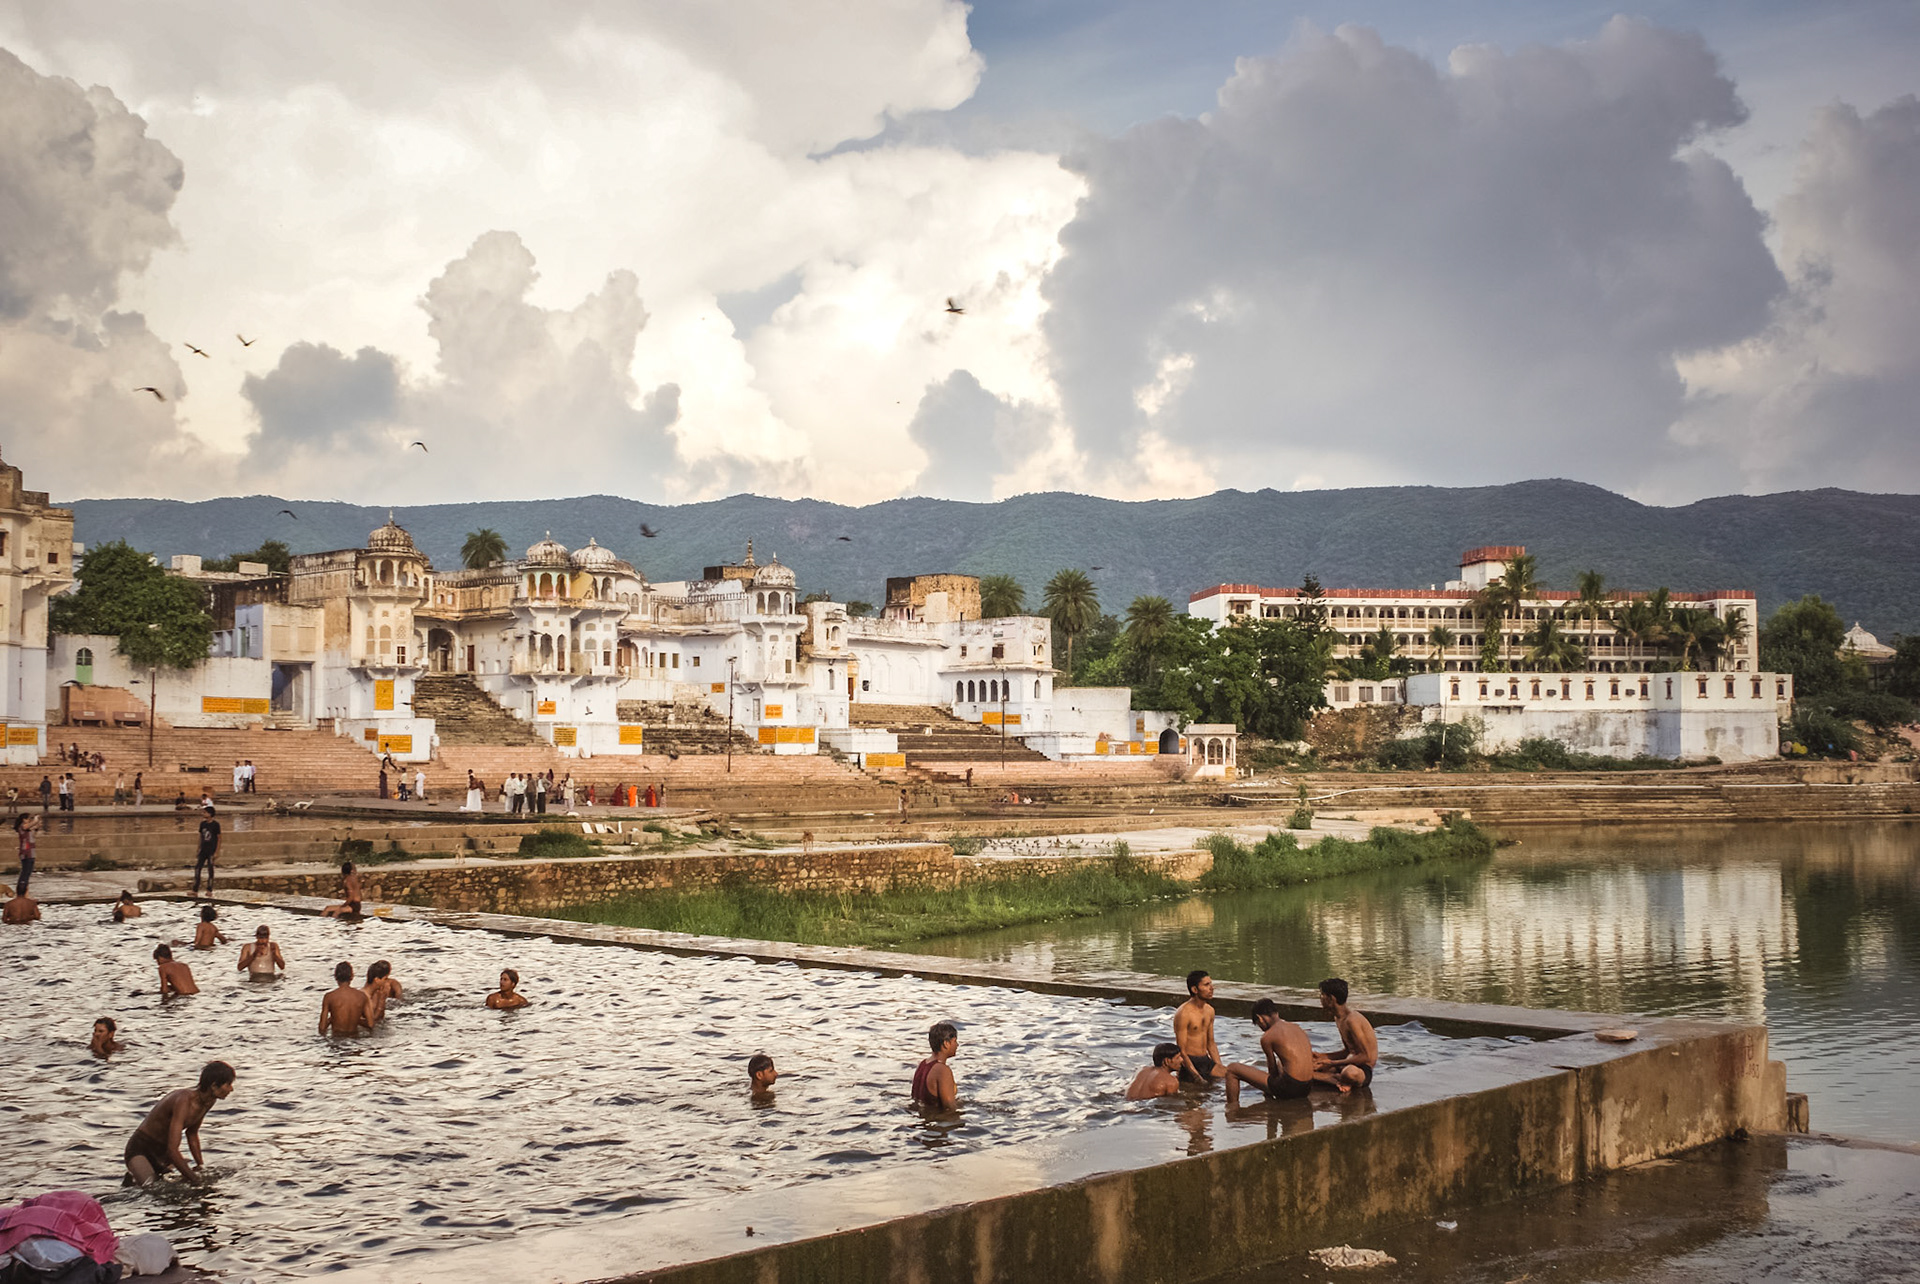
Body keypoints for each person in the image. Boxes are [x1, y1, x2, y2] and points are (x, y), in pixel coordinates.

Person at [124, 1061, 236, 1184]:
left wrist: (200, 1165)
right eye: (228, 1084)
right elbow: (173, 1150)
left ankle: (134, 1180)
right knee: (151, 1189)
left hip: (162, 1151)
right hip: (141, 1148)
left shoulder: (208, 1102)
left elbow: (192, 1134)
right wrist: (195, 1179)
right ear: (214, 1086)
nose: (231, 1089)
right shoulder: (184, 1100)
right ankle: (132, 1179)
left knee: (177, 1185)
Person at [1224, 998, 1317, 1106]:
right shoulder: (1297, 1028)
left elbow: (1271, 1071)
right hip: (1307, 1088)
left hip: (1290, 1088)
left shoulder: (1268, 1036)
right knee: (1280, 1062)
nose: (1261, 1029)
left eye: (1259, 1025)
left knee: (1232, 1069)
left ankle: (1232, 1108)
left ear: (1260, 1018)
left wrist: (1267, 1090)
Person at [1312, 978, 1378, 1092]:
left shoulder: (1352, 1020)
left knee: (1349, 1073)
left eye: (1322, 995)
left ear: (1331, 999)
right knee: (1303, 1064)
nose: (1320, 999)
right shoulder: (1338, 1018)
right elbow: (1348, 1051)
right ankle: (1333, 1078)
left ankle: (1333, 1078)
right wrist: (1322, 1056)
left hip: (1361, 1069)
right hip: (1346, 1062)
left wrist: (1332, 1063)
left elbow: (1365, 1056)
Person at [1174, 970, 1227, 1082]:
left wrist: (1219, 1066)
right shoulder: (1184, 1013)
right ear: (1194, 989)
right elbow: (1181, 1050)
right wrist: (1196, 1075)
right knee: (1197, 1093)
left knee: (1231, 1076)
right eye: (1206, 985)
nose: (1211, 988)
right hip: (1189, 1062)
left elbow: (1211, 1043)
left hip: (1205, 1060)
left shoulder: (1210, 1011)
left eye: (1211, 984)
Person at [910, 1021, 959, 1111]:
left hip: (922, 1120)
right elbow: (949, 1108)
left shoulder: (923, 1064)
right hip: (936, 1121)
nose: (957, 1045)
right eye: (955, 1041)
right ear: (946, 1044)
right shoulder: (942, 1070)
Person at [319, 961, 373, 1035]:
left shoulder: (329, 997)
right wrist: (356, 1019)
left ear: (335, 977)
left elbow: (322, 1028)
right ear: (352, 976)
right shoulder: (362, 996)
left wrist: (332, 1019)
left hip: (337, 1039)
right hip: (355, 1038)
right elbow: (370, 1024)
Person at [1126, 1043, 1191, 1100]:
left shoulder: (1141, 1070)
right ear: (1167, 1061)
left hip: (1128, 1103)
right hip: (1146, 1110)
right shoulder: (1171, 1081)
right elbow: (1172, 1104)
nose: (1182, 1060)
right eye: (1178, 1057)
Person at [191, 806, 221, 897]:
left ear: (210, 814)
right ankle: (195, 889)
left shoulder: (216, 825)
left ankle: (209, 889)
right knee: (197, 868)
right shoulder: (202, 824)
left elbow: (219, 838)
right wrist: (198, 848)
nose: (203, 814)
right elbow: (201, 837)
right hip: (203, 850)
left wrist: (217, 851)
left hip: (211, 850)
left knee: (210, 870)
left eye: (205, 812)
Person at [363, 959, 402, 1023]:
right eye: (385, 979)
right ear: (377, 980)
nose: (386, 982)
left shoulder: (378, 992)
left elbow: (380, 1018)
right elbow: (371, 1023)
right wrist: (382, 1000)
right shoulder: (365, 996)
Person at [15, 814, 38, 895]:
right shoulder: (22, 827)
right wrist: (35, 820)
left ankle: (25, 893)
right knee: (24, 874)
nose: (29, 820)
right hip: (26, 853)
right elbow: (29, 825)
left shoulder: (28, 829)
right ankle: (21, 893)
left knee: (27, 874)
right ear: (23, 819)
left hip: (31, 853)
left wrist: (36, 826)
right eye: (28, 819)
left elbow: (33, 835)